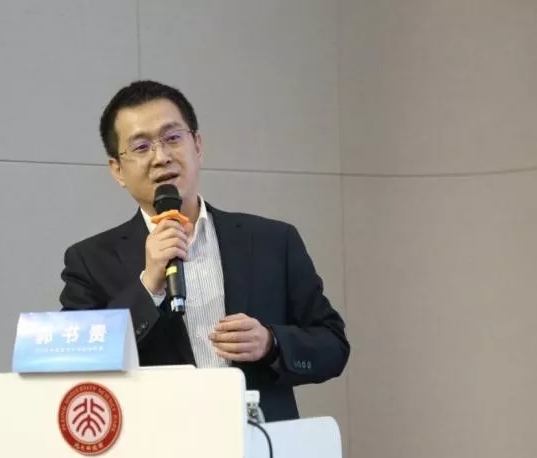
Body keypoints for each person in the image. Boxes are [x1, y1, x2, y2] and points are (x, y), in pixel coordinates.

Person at [59, 80, 350, 422]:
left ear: (197, 146)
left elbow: (333, 346)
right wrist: (147, 286)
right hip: (156, 446)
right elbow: (77, 364)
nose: (161, 157)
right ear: (117, 170)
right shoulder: (90, 261)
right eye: (141, 146)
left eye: (172, 138)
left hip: (258, 443)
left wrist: (271, 343)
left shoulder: (272, 240)